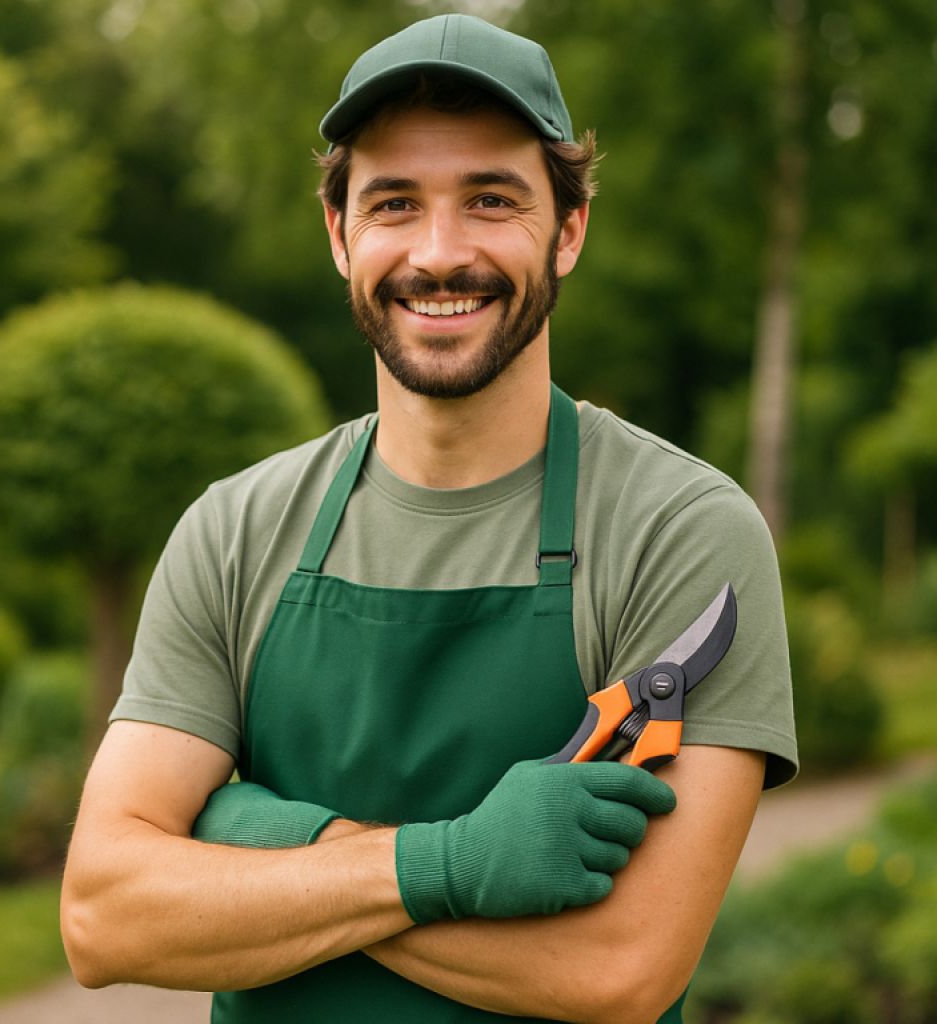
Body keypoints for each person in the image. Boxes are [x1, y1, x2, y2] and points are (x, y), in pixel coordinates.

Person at [61, 14, 798, 1024]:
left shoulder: (679, 531)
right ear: (340, 235)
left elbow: (619, 967)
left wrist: (265, 843)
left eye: (491, 200)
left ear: (568, 231)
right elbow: (105, 918)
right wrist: (445, 863)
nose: (439, 254)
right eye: (394, 204)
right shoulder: (236, 530)